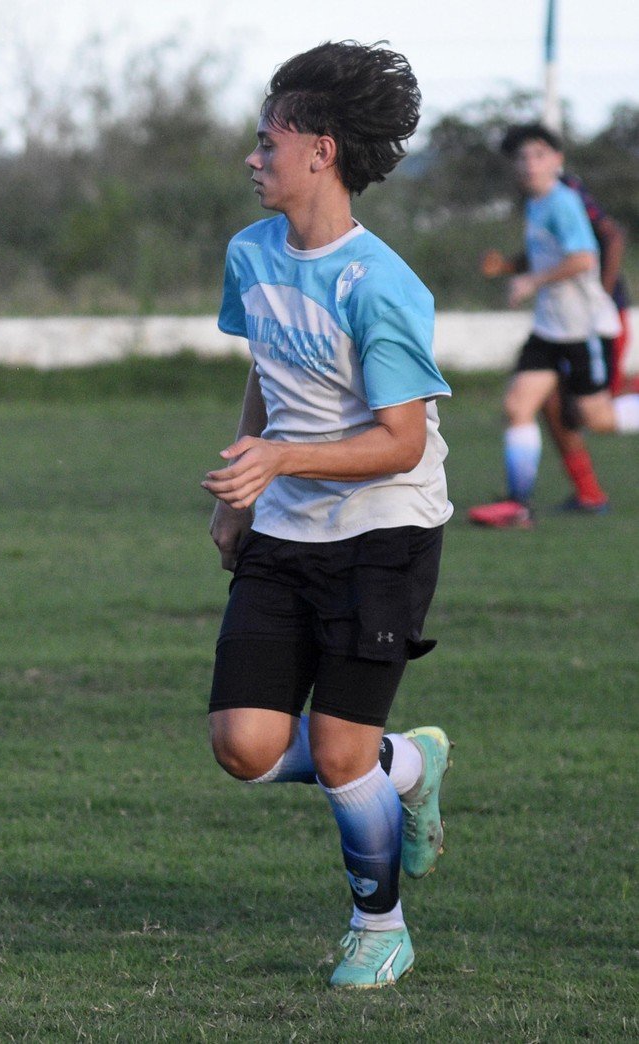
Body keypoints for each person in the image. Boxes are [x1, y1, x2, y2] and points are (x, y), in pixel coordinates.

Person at [203, 41, 454, 989]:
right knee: (243, 746)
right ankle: (408, 765)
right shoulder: (250, 252)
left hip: (384, 530)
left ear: (321, 152)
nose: (252, 158)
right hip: (284, 524)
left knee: (341, 754)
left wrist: (278, 461)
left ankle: (378, 927)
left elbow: (399, 441)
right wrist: (246, 480)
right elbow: (265, 370)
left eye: (267, 143)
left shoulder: (380, 283)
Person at [469, 124, 639, 528]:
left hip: (583, 330)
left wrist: (532, 282)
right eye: (523, 157)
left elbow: (583, 258)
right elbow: (545, 255)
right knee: (518, 406)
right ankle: (518, 505)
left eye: (540, 155)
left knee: (596, 419)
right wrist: (510, 267)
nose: (530, 164)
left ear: (557, 160)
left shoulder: (563, 202)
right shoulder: (537, 204)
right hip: (549, 328)